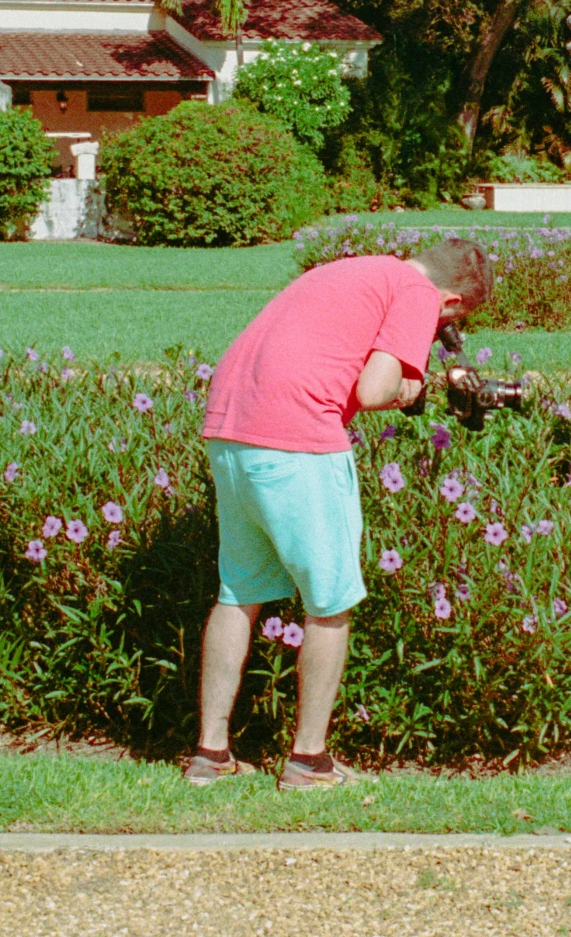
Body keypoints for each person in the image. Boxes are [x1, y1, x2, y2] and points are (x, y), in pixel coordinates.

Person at [185, 237, 492, 790]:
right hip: (298, 437)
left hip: (229, 429)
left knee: (239, 591)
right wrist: (413, 384)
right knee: (330, 600)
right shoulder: (417, 292)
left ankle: (210, 754)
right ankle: (308, 761)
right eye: (450, 322)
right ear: (449, 302)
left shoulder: (357, 270)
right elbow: (372, 390)